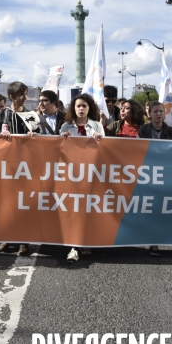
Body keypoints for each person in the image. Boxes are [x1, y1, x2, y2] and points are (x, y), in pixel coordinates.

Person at [0, 81, 39, 255]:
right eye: (20, 94)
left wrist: (35, 137)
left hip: (26, 167)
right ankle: (7, 237)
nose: (24, 98)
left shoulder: (32, 116)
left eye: (25, 94)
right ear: (11, 96)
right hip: (6, 168)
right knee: (7, 204)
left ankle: (24, 241)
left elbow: (42, 141)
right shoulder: (1, 116)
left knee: (24, 204)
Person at [59, 93, 103, 262]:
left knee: (87, 208)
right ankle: (73, 245)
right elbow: (58, 151)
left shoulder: (97, 126)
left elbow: (106, 149)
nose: (81, 109)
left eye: (84, 106)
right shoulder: (65, 127)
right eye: (78, 106)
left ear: (89, 108)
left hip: (91, 174)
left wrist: (100, 140)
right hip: (71, 174)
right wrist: (62, 140)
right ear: (73, 108)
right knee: (72, 208)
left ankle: (86, 241)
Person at [138, 101, 172, 256]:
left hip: (165, 174)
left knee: (160, 208)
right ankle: (151, 240)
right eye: (155, 111)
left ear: (164, 113)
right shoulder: (143, 130)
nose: (158, 114)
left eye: (161, 111)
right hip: (148, 173)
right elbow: (137, 149)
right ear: (149, 114)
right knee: (149, 208)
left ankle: (157, 239)